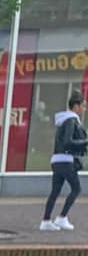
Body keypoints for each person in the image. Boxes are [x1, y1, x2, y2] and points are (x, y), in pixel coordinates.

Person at [40, 90, 87, 231]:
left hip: (57, 160)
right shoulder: (71, 120)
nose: (84, 109)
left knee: (55, 191)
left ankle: (46, 220)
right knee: (76, 189)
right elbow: (68, 142)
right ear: (76, 106)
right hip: (66, 161)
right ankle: (62, 218)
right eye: (83, 106)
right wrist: (85, 142)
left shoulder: (63, 121)